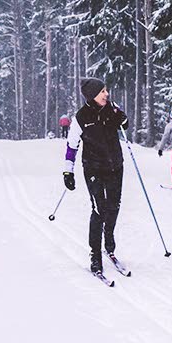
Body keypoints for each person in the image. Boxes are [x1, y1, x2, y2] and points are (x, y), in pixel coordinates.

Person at [62, 78, 129, 275]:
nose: (106, 94)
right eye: (102, 92)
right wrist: (68, 171)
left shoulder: (112, 108)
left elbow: (125, 125)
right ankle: (95, 255)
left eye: (106, 90)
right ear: (92, 95)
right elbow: (72, 145)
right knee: (99, 209)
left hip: (116, 166)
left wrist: (121, 117)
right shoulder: (81, 117)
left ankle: (109, 243)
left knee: (114, 206)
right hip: (94, 168)